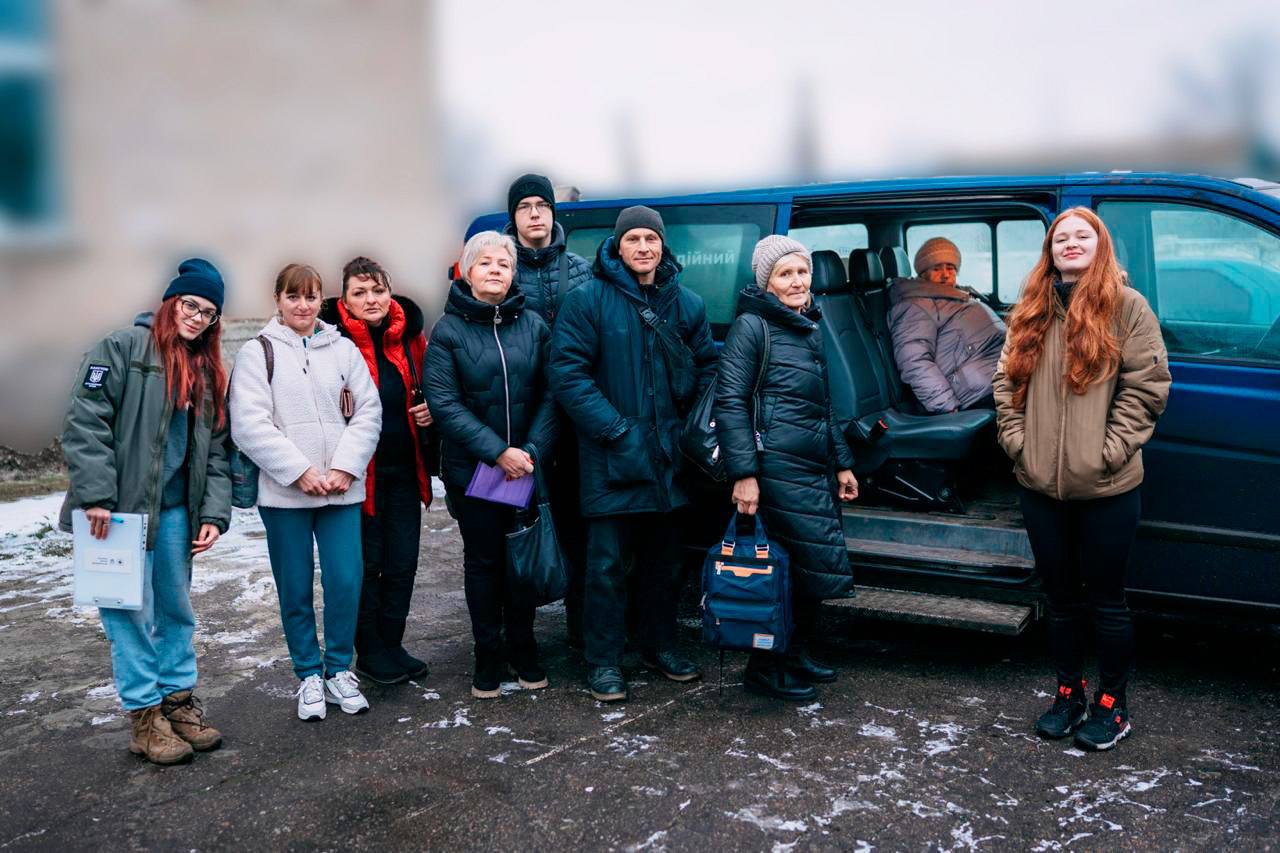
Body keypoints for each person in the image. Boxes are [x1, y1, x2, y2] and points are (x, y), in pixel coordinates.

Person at [993, 207, 1170, 751]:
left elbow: (1147, 388)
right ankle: (1068, 693)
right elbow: (1006, 384)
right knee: (1061, 600)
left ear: (1100, 245)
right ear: (1050, 251)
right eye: (1060, 238)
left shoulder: (1128, 307)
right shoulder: (1031, 309)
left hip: (1107, 488)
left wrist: (1106, 453)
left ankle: (1113, 705)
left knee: (1107, 602)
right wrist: (1020, 446)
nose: (1070, 243)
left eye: (1082, 236)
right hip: (1040, 488)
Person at [60, 258, 232, 765]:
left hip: (177, 512)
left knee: (175, 612)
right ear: (171, 302)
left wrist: (213, 513)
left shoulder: (205, 370)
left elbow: (216, 449)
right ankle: (144, 717)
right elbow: (85, 422)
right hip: (118, 515)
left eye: (209, 313)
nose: (197, 318)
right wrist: (96, 495)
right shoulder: (121, 348)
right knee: (129, 616)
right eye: (190, 305)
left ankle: (178, 703)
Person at [550, 205, 718, 703]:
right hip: (612, 455)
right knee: (605, 567)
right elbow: (568, 374)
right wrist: (615, 429)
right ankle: (603, 661)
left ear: (663, 245)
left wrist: (689, 428)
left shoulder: (687, 303)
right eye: (633, 239)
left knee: (665, 563)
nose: (643, 247)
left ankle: (658, 645)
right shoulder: (587, 301)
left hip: (670, 457)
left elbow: (709, 366)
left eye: (651, 239)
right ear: (617, 246)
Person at [230, 264, 382, 721]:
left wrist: (345, 467)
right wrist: (298, 471)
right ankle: (309, 675)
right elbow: (249, 424)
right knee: (294, 587)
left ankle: (339, 669)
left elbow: (368, 411)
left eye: (311, 297)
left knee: (345, 580)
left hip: (340, 490)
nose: (303, 305)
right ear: (277, 299)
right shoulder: (257, 353)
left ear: (322, 301)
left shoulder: (343, 349)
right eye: (293, 297)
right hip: (286, 496)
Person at [714, 236, 860, 702]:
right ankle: (764, 668)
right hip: (774, 470)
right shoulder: (752, 326)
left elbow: (824, 404)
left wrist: (842, 464)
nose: (797, 282)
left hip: (812, 467)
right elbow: (730, 402)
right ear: (767, 283)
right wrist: (744, 474)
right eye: (785, 274)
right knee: (779, 573)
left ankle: (794, 653)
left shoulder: (807, 323)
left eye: (802, 272)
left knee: (806, 570)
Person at [424, 231, 558, 699]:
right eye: (485, 263)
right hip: (474, 471)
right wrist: (499, 452)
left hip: (527, 467)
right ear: (467, 272)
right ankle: (487, 654)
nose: (495, 270)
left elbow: (552, 393)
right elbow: (444, 403)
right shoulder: (448, 331)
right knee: (483, 563)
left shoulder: (534, 325)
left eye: (504, 263)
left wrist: (531, 450)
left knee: (521, 559)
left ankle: (523, 647)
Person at [319, 257, 434, 686]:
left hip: (405, 469)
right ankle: (369, 650)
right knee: (366, 566)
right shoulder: (330, 340)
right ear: (345, 299)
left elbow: (432, 384)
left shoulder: (409, 336)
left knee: (402, 562)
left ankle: (392, 643)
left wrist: (430, 408)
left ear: (390, 292)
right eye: (360, 292)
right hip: (357, 476)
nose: (371, 300)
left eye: (378, 290)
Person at [503, 173, 594, 648]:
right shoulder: (499, 268)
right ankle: (519, 643)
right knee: (517, 527)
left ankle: (581, 632)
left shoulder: (580, 269)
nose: (535, 213)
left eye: (542, 204)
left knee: (579, 526)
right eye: (525, 206)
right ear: (513, 216)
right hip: (519, 420)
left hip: (576, 420)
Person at [888, 237, 1006, 413]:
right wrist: (946, 405)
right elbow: (914, 360)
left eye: (950, 268)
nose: (945, 274)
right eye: (936, 269)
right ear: (923, 274)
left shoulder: (957, 294)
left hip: (998, 375)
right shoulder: (915, 305)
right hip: (976, 393)